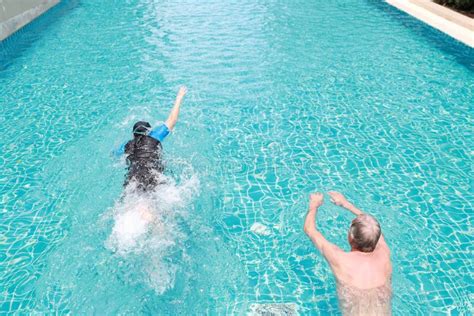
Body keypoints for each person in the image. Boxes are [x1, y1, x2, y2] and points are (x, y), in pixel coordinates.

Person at [304, 191, 392, 316]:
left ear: (351, 237)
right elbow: (374, 228)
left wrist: (314, 206)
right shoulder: (384, 253)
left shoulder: (339, 259)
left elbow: (309, 229)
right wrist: (346, 204)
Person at [114, 86, 187, 193]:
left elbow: (115, 155)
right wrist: (179, 97)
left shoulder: (126, 145)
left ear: (133, 135)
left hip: (133, 178)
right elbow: (172, 119)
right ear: (149, 132)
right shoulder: (154, 137)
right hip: (153, 174)